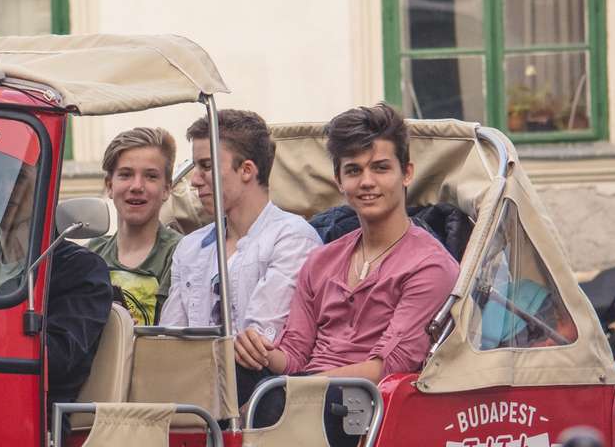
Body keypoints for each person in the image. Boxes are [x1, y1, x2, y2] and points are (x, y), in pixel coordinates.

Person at [260, 103, 460, 385]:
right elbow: (294, 355)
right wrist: (259, 353)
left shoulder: (430, 266)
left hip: (369, 402)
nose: (367, 182)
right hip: (299, 391)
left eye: (380, 168)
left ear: (406, 173)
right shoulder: (320, 261)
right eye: (354, 171)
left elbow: (390, 366)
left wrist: (296, 388)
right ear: (339, 181)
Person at [158, 110, 321, 400]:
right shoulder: (190, 246)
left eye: (206, 166)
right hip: (189, 393)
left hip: (256, 395)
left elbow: (258, 344)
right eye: (195, 167)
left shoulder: (292, 238)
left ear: (246, 170)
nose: (195, 180)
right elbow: (169, 339)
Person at [0, 147, 113, 403]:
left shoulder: (80, 270)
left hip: (36, 416)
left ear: (43, 186)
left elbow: (56, 360)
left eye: (17, 176)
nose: (4, 189)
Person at [87, 128, 182, 326]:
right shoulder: (90, 255)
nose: (137, 186)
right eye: (126, 174)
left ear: (167, 189)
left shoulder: (182, 254)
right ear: (109, 186)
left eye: (151, 176)